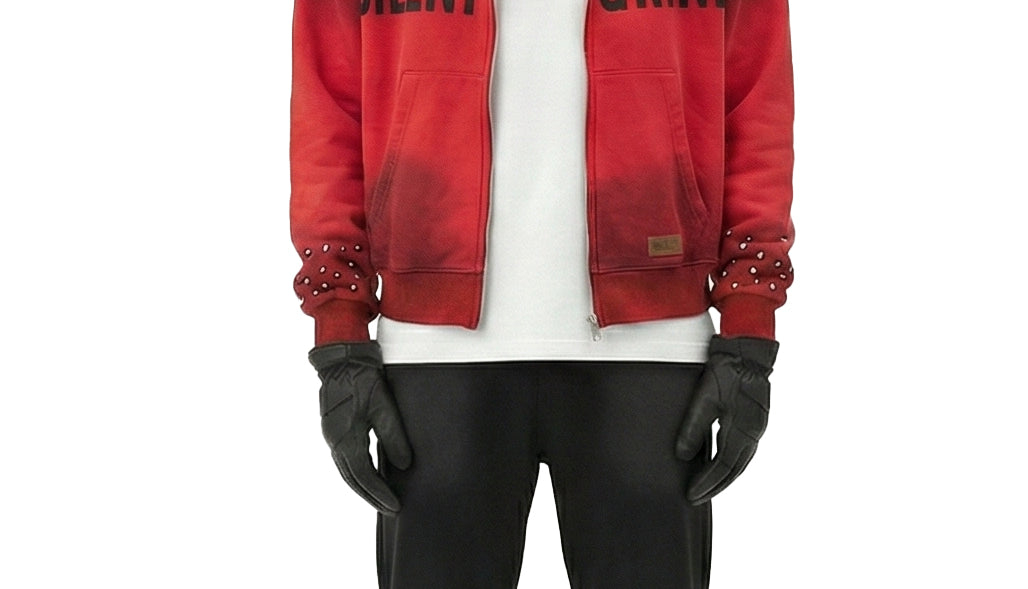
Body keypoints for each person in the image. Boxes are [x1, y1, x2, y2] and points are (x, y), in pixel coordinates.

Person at [290, 1, 795, 587]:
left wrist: (750, 318)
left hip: (652, 346)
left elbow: (754, 97)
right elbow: (329, 106)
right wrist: (339, 326)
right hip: (433, 351)